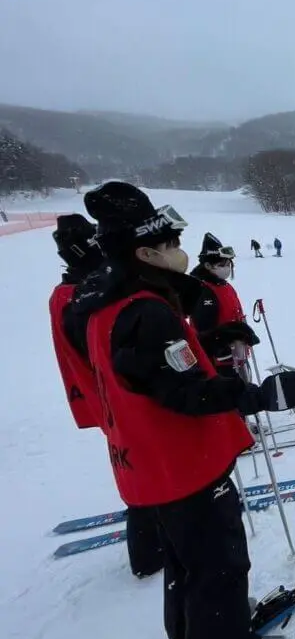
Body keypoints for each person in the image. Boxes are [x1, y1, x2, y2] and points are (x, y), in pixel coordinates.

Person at [73, 181, 295, 639]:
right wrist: (259, 395)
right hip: (182, 462)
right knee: (220, 560)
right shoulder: (146, 311)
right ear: (145, 253)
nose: (179, 249)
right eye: (170, 241)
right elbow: (185, 392)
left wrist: (209, 342)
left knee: (186, 560)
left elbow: (150, 367)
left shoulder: (110, 302)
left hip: (151, 465)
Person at [49, 214, 163, 578]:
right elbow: (103, 348)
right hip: (113, 396)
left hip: (106, 394)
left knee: (139, 463)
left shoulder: (75, 292)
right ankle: (149, 551)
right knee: (142, 466)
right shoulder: (78, 297)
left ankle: (153, 532)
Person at [189, 232, 258, 380]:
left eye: (228, 265)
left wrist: (244, 332)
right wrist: (223, 351)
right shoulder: (202, 291)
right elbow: (204, 332)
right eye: (221, 265)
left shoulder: (224, 285)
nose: (226, 268)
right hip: (219, 361)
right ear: (207, 265)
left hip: (236, 354)